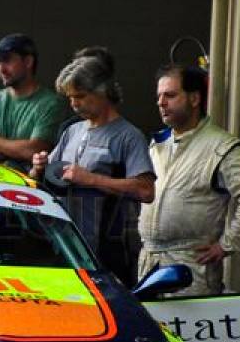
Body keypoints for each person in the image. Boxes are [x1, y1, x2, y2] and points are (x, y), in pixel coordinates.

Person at [137, 65, 240, 295]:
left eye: (170, 95)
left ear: (195, 98)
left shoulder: (222, 146)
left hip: (191, 269)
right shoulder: (157, 145)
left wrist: (228, 243)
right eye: (158, 96)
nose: (161, 102)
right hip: (150, 264)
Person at [29, 49, 153, 286]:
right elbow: (46, 180)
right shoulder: (72, 131)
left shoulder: (129, 136)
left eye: (81, 96)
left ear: (103, 92)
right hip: (67, 249)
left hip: (108, 251)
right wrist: (38, 167)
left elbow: (146, 191)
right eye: (70, 98)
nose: (74, 104)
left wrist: (92, 179)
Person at [0, 33, 68, 172]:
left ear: (28, 62)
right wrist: (18, 150)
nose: (1, 68)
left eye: (6, 60)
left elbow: (36, 151)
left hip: (30, 187)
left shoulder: (51, 103)